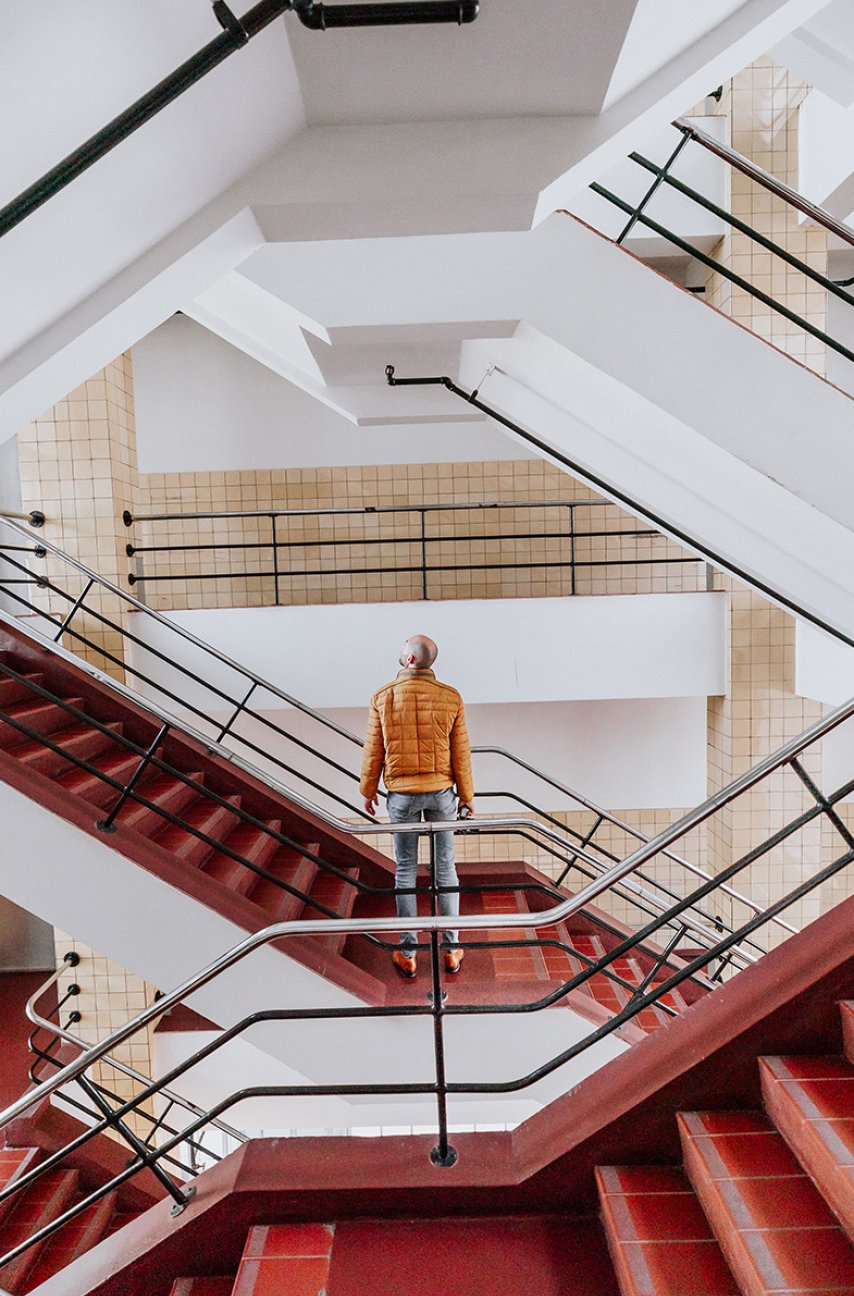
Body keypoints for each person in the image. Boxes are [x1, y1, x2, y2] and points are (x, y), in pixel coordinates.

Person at [360, 634, 475, 979]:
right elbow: (461, 753)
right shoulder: (450, 697)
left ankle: (408, 952)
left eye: (403, 647)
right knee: (445, 868)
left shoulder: (383, 697)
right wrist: (467, 795)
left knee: (406, 871)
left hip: (402, 796)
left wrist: (368, 789)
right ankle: (452, 949)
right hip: (442, 792)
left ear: (410, 660)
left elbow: (373, 750)